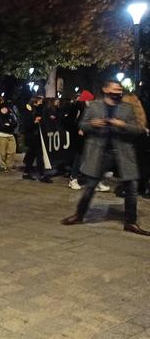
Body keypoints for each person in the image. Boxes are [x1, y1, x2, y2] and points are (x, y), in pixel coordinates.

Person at [61, 80, 149, 236]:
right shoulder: (94, 106)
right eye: (115, 89)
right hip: (100, 152)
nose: (118, 91)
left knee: (131, 187)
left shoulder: (127, 108)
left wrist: (122, 125)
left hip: (122, 151)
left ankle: (130, 222)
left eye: (120, 89)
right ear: (106, 89)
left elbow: (138, 129)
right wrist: (92, 124)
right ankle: (79, 215)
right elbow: (82, 125)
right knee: (91, 186)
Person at [21, 96, 52, 183]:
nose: (41, 103)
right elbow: (26, 124)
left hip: (37, 136)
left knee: (31, 155)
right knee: (38, 156)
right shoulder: (28, 111)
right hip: (33, 136)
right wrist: (34, 122)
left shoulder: (38, 109)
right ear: (35, 102)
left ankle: (26, 173)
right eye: (40, 101)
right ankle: (41, 175)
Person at [0, 102, 17, 173]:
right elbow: (0, 126)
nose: (4, 110)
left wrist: (8, 126)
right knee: (2, 152)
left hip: (10, 135)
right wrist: (7, 126)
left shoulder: (10, 116)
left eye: (6, 108)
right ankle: (3, 166)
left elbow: (14, 124)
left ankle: (9, 165)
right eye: (3, 108)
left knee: (12, 151)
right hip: (1, 135)